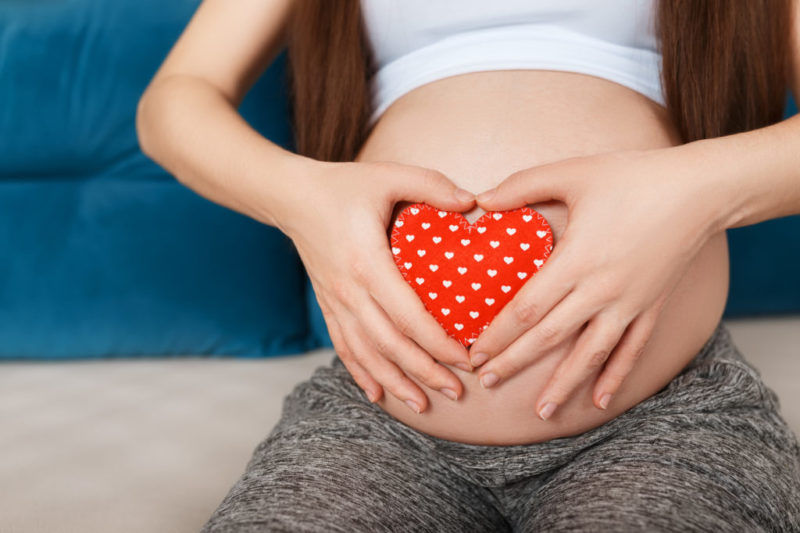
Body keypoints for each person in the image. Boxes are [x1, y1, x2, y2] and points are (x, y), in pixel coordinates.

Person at [136, 0, 800, 530]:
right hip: (379, 413)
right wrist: (300, 197)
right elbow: (174, 101)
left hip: (665, 419)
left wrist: (691, 189)